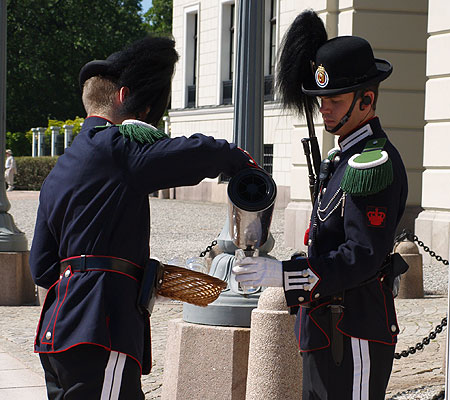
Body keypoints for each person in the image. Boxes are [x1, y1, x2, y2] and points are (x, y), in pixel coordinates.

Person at [29, 35, 257, 399]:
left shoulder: (59, 171)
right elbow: (189, 153)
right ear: (123, 96)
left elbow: (41, 266)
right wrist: (237, 159)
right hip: (101, 325)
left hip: (57, 334)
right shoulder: (118, 148)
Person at [233, 10, 408, 399]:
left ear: (366, 99)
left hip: (353, 327)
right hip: (324, 328)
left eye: (335, 98)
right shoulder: (342, 159)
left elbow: (360, 256)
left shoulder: (372, 162)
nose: (324, 107)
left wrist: (284, 275)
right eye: (321, 99)